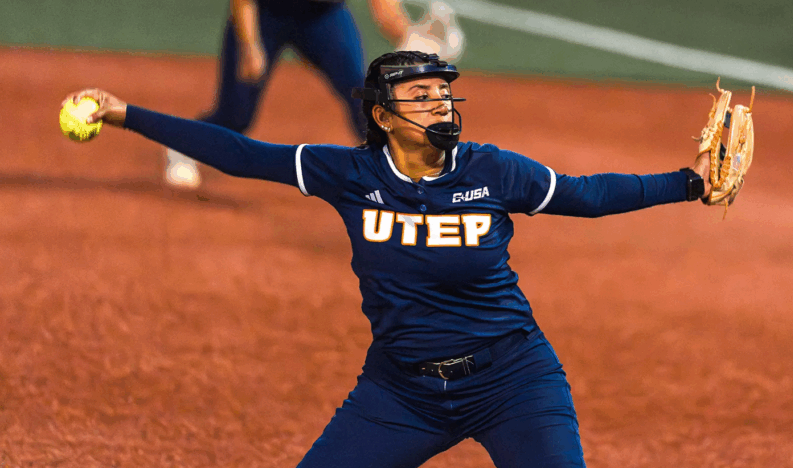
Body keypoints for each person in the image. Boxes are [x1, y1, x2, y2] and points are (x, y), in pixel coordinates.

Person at [64, 50, 711, 467]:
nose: (440, 102)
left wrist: (689, 183)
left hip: (513, 381)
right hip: (402, 390)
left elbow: (588, 195)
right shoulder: (349, 173)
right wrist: (125, 114)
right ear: (382, 115)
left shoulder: (492, 171)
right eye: (421, 95)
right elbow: (241, 154)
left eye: (443, 92)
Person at [165, 0, 464, 189]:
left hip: (322, 18)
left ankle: (394, 178)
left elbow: (385, 11)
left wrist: (415, 41)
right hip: (266, 15)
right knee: (237, 114)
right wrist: (250, 46)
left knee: (362, 95)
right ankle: (182, 146)